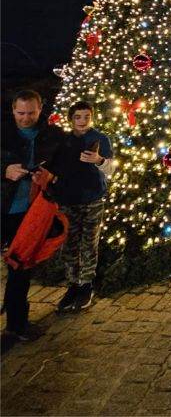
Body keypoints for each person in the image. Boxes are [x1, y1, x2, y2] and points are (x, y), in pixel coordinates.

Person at [1, 90, 63, 342]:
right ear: (13, 110)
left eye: (31, 113)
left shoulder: (53, 137)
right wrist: (4, 169)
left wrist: (50, 177)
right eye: (20, 113)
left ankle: (16, 324)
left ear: (40, 110)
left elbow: (64, 168)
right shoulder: (3, 133)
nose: (25, 118)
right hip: (3, 205)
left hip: (29, 212)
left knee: (20, 266)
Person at [51, 101, 114, 312]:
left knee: (89, 242)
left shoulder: (100, 138)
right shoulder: (63, 141)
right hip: (68, 200)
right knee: (69, 244)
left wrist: (99, 160)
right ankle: (72, 285)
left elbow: (111, 169)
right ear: (71, 119)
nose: (82, 121)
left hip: (93, 198)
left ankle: (86, 285)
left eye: (86, 116)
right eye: (78, 117)